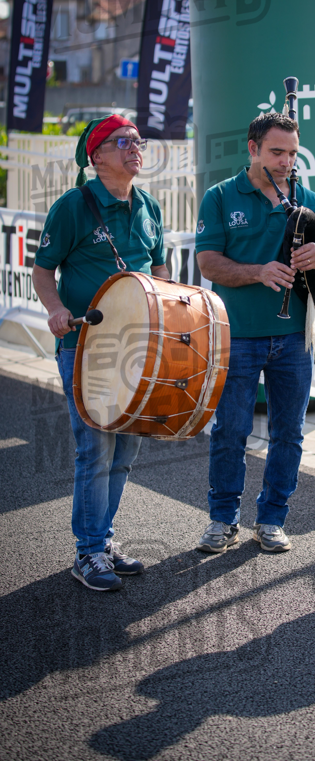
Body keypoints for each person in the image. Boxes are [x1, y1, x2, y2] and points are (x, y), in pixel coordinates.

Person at [195, 111, 315, 553]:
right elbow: (208, 263)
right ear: (253, 148)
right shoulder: (221, 196)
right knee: (231, 430)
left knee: (290, 432)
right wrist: (257, 272)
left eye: (292, 153)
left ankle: (272, 519)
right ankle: (222, 519)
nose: (286, 162)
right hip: (236, 334)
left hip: (294, 340)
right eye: (276, 152)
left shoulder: (310, 199)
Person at [33, 115, 170, 591]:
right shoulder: (73, 206)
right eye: (124, 142)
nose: (136, 148)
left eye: (138, 141)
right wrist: (54, 309)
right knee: (95, 449)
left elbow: (160, 268)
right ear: (97, 156)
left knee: (126, 448)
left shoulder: (149, 205)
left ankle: (102, 541)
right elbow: (43, 269)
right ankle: (88, 552)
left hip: (139, 347)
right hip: (85, 345)